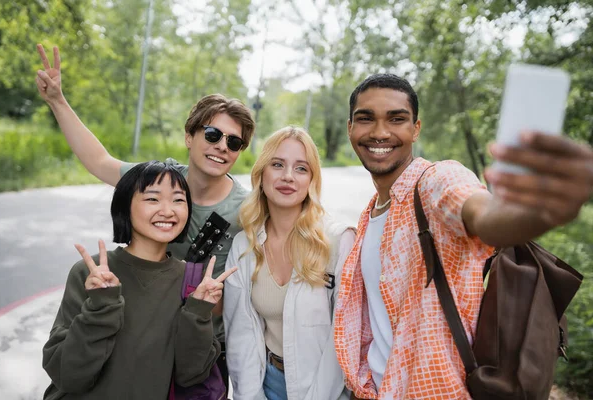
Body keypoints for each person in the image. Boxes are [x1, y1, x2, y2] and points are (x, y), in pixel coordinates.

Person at [333, 73, 593, 399]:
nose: (380, 132)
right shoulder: (370, 212)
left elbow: (486, 216)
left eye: (396, 119)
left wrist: (541, 211)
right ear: (350, 129)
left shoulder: (436, 181)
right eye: (365, 118)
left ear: (416, 128)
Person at [35, 44, 255, 389]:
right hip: (134, 322)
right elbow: (100, 162)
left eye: (234, 142)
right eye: (212, 134)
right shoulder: (159, 177)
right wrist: (57, 101)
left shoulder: (250, 209)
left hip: (194, 345)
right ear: (189, 136)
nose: (222, 146)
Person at [42, 160, 237, 399]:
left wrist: (198, 312)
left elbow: (191, 374)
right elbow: (68, 374)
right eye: (153, 199)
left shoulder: (190, 282)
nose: (167, 210)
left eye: (178, 200)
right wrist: (102, 307)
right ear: (125, 206)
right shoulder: (90, 273)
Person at [223, 126, 355, 400]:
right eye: (277, 164)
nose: (287, 177)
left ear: (312, 179)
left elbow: (343, 340)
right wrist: (251, 396)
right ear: (262, 173)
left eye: (301, 168)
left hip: (324, 389)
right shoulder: (244, 246)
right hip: (268, 382)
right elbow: (241, 334)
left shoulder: (337, 241)